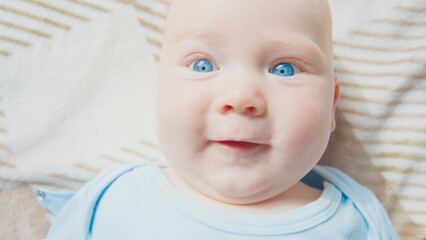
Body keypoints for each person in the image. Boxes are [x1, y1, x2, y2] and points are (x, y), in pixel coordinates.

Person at [41, 0, 400, 239]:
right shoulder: (112, 199)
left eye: (285, 69)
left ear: (332, 105)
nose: (241, 98)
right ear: (159, 88)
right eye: (202, 65)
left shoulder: (360, 221)